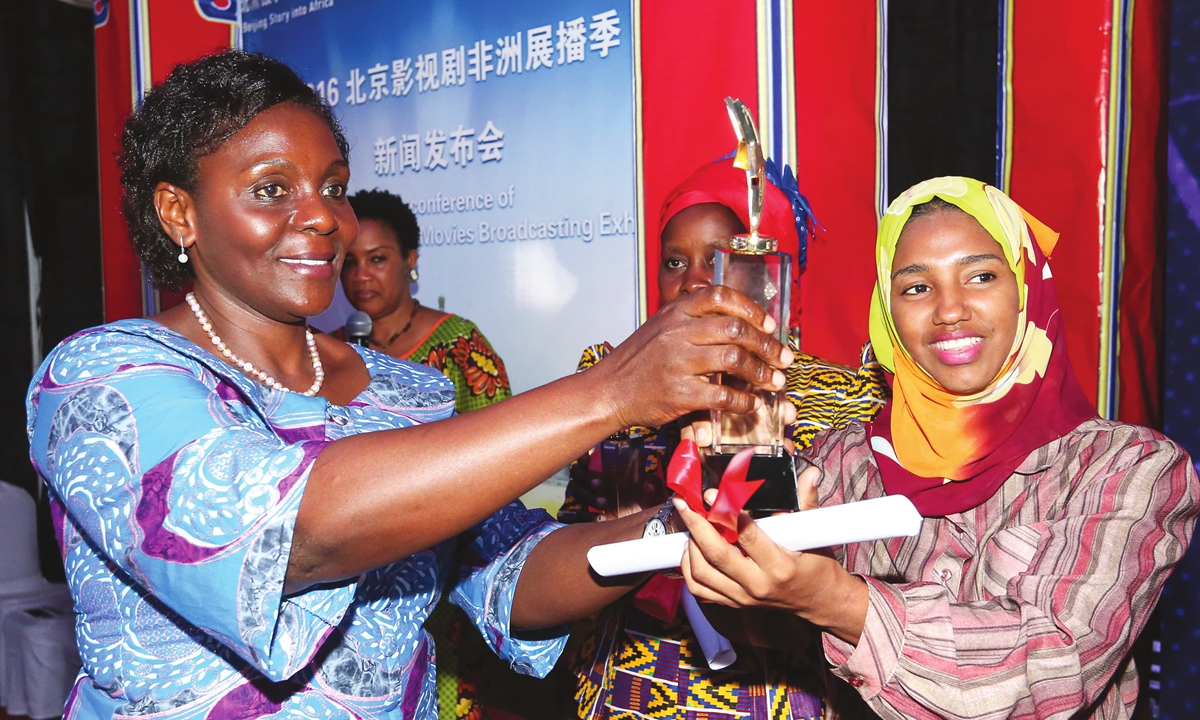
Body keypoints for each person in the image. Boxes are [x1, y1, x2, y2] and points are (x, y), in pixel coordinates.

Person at [24, 50, 794, 718]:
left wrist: (690, 521)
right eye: (273, 189)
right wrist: (610, 392)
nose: (323, 218)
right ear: (177, 212)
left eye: (333, 186)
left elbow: (514, 577)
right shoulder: (102, 383)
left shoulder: (411, 392)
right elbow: (299, 533)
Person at [672, 176, 1200, 719]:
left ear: (1027, 287)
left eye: (981, 276)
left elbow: (1049, 669)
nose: (950, 309)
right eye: (917, 288)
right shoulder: (842, 463)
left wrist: (835, 600)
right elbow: (766, 628)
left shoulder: (1126, 468)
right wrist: (736, 498)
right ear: (888, 315)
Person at [561, 157, 889, 720]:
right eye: (674, 262)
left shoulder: (835, 397)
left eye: (717, 259)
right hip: (631, 685)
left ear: (764, 275)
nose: (692, 280)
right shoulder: (614, 387)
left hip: (774, 689)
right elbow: (570, 546)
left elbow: (853, 574)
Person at [340, 189, 511, 414]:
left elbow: (501, 430)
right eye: (349, 261)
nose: (361, 275)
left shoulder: (459, 344)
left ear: (410, 259)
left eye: (377, 259)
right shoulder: (323, 348)